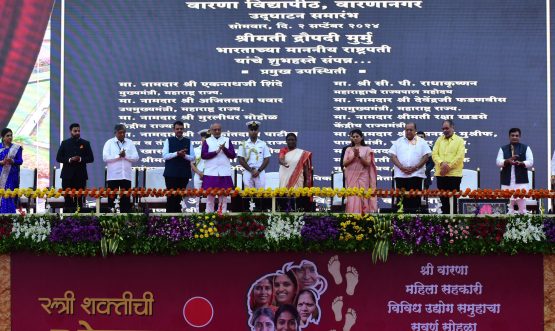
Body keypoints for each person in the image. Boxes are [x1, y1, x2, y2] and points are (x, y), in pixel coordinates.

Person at [389, 123, 431, 213]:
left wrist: (415, 168)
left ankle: (414, 224)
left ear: (415, 131)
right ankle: (401, 223)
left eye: (410, 130)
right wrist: (401, 167)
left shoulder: (422, 142)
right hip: (401, 175)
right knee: (401, 201)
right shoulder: (398, 141)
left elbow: (426, 156)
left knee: (415, 201)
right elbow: (392, 156)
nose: (408, 132)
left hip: (416, 175)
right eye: (406, 130)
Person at [56, 123, 94, 212]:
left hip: (80, 176)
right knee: (68, 198)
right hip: (67, 176)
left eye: (78, 131)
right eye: (75, 131)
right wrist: (69, 159)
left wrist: (80, 159)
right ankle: (67, 221)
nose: (77, 132)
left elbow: (91, 158)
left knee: (79, 199)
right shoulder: (65, 143)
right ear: (71, 132)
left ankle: (80, 221)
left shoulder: (85, 143)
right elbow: (58, 158)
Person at [102, 124, 139, 213]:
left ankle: (125, 222)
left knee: (125, 201)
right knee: (111, 200)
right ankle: (111, 221)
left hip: (126, 176)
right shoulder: (109, 143)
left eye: (124, 132)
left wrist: (125, 156)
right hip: (113, 176)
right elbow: (105, 158)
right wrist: (118, 156)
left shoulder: (130, 142)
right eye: (120, 133)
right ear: (115, 133)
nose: (122, 134)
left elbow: (136, 157)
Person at [431, 120, 466, 214]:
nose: (445, 130)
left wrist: (448, 167)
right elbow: (434, 154)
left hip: (454, 175)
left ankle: (453, 224)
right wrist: (442, 163)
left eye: (447, 128)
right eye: (443, 129)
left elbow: (459, 157)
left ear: (452, 128)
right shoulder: (439, 139)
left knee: (453, 201)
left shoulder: (459, 140)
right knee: (443, 201)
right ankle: (444, 223)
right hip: (441, 175)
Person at [496, 128, 533, 214]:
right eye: (512, 135)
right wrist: (507, 160)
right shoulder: (503, 148)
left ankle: (523, 225)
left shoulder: (525, 148)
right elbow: (498, 162)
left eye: (516, 135)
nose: (514, 137)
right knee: (508, 207)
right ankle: (507, 225)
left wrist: (521, 163)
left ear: (519, 137)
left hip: (521, 181)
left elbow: (530, 162)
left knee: (522, 208)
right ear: (509, 137)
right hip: (507, 180)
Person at [201, 122, 236, 213]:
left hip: (224, 173)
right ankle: (209, 217)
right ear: (211, 131)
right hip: (211, 173)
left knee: (223, 198)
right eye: (215, 130)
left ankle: (222, 216)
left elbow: (232, 155)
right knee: (210, 197)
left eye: (219, 129)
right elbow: (203, 155)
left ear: (221, 130)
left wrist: (224, 149)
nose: (217, 131)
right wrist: (216, 152)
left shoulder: (227, 140)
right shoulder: (207, 141)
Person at [342, 129, 377, 213]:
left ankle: (363, 217)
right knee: (352, 196)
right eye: (353, 137)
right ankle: (351, 215)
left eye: (357, 136)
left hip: (363, 176)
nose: (355, 138)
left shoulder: (367, 149)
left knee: (363, 196)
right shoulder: (348, 149)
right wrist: (354, 156)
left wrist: (359, 157)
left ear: (362, 137)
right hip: (351, 176)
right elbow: (344, 163)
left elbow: (368, 163)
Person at [162, 120, 195, 213]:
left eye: (181, 129)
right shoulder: (168, 140)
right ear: (174, 130)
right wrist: (177, 153)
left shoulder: (188, 141)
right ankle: (169, 219)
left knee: (179, 197)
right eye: (177, 129)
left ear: (183, 129)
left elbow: (192, 158)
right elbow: (165, 156)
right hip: (170, 174)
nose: (179, 130)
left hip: (183, 174)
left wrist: (184, 155)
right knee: (171, 197)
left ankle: (177, 220)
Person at [238, 121, 271, 188]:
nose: (253, 131)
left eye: (255, 130)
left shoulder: (263, 144)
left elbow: (267, 159)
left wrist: (258, 171)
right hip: (248, 171)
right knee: (248, 194)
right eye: (251, 130)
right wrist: (251, 170)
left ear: (258, 131)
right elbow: (240, 159)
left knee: (261, 194)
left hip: (260, 171)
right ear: (248, 131)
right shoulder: (243, 144)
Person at [0, 128, 22, 213]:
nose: (10, 137)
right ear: (3, 137)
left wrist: (12, 161)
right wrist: (2, 162)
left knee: (9, 195)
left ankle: (10, 217)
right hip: (1, 174)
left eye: (11, 135)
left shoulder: (17, 148)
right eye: (7, 135)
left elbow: (20, 161)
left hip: (12, 176)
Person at [191, 129, 210, 212]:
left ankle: (209, 215)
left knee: (210, 197)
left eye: (207, 137)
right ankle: (198, 216)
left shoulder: (213, 150)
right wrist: (200, 173)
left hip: (210, 176)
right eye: (204, 137)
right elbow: (192, 164)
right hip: (198, 176)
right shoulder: (195, 150)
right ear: (201, 138)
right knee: (198, 197)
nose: (205, 139)